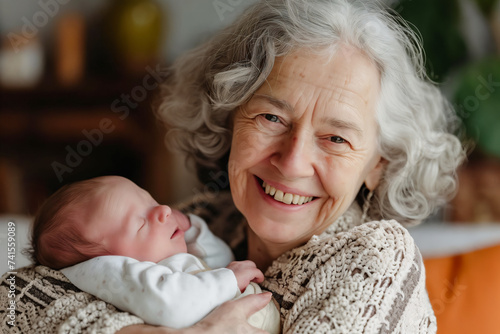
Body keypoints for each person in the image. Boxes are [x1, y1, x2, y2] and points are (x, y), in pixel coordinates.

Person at [0, 0, 466, 333]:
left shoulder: (376, 258)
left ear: (377, 166)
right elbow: (13, 300)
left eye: (336, 138)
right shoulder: (207, 220)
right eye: (271, 117)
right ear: (229, 120)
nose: (293, 160)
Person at [27, 175, 280, 332]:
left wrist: (192, 232)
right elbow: (175, 307)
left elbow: (216, 263)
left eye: (150, 200)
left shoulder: (166, 260)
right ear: (107, 263)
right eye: (140, 223)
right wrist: (229, 280)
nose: (163, 210)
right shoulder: (134, 278)